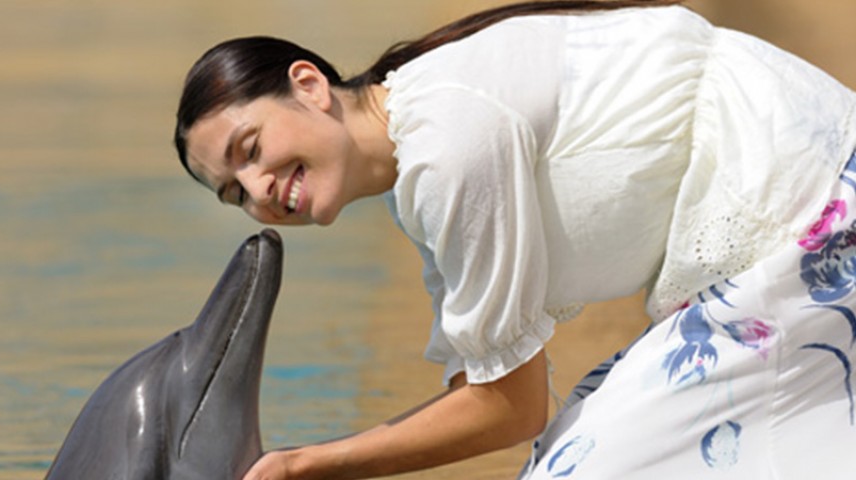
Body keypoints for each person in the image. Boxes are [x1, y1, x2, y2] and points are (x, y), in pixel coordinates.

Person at [173, 0, 856, 478]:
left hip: (805, 208)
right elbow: (487, 387)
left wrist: (306, 464)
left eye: (250, 147)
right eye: (235, 193)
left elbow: (510, 408)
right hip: (797, 207)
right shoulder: (422, 144)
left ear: (309, 84)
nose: (258, 188)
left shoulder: (446, 145)